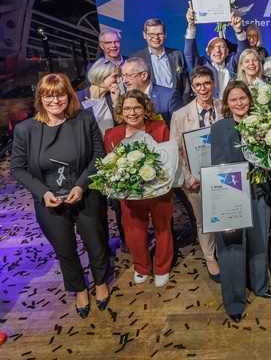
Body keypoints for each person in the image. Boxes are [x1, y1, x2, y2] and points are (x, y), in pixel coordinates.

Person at [10, 73, 110, 319]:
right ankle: (80, 289)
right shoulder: (25, 130)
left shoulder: (85, 119)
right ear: (40, 98)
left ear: (69, 96)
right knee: (65, 249)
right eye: (48, 96)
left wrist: (81, 185)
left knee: (96, 242)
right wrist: (43, 192)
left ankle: (100, 282)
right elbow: (18, 168)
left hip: (85, 194)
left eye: (60, 95)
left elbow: (98, 156)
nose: (54, 101)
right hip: (49, 201)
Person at [210, 80, 271, 323]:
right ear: (226, 103)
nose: (239, 103)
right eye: (234, 99)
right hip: (231, 193)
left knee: (260, 241)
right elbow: (218, 165)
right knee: (232, 249)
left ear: (250, 99)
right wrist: (225, 205)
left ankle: (260, 285)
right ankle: (235, 302)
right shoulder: (219, 128)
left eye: (243, 98)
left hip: (259, 190)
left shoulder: (263, 123)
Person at [104, 90, 174, 288]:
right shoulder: (111, 134)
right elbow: (110, 165)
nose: (132, 113)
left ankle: (162, 267)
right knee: (134, 232)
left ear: (145, 109)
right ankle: (142, 266)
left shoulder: (160, 127)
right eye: (127, 108)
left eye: (137, 108)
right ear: (120, 111)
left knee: (163, 227)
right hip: (130, 194)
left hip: (159, 190)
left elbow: (168, 159)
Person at [170, 66, 224, 282]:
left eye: (207, 83)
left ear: (214, 84)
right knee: (204, 221)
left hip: (222, 175)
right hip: (196, 180)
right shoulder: (180, 115)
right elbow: (176, 150)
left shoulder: (224, 107)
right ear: (192, 87)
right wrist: (189, 178)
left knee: (225, 217)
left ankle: (225, 252)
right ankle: (210, 257)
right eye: (198, 85)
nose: (203, 88)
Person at [184, 2, 247, 98]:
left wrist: (238, 30)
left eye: (221, 47)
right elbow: (189, 52)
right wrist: (191, 26)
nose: (217, 50)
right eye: (213, 47)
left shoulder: (233, 63)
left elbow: (244, 52)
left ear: (227, 51)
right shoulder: (201, 66)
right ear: (207, 51)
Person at [130, 18, 191, 103]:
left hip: (176, 105)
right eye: (151, 34)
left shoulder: (177, 55)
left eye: (159, 34)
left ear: (165, 35)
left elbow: (186, 85)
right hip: (149, 105)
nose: (156, 37)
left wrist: (183, 105)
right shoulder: (136, 58)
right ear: (144, 35)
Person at [122, 57, 183, 126]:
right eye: (123, 76)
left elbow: (180, 126)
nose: (124, 81)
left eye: (128, 76)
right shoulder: (125, 99)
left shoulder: (169, 97)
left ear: (144, 76)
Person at [82, 62, 122, 135]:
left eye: (119, 77)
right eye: (115, 76)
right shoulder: (78, 98)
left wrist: (116, 103)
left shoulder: (113, 97)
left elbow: (121, 125)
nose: (118, 81)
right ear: (101, 75)